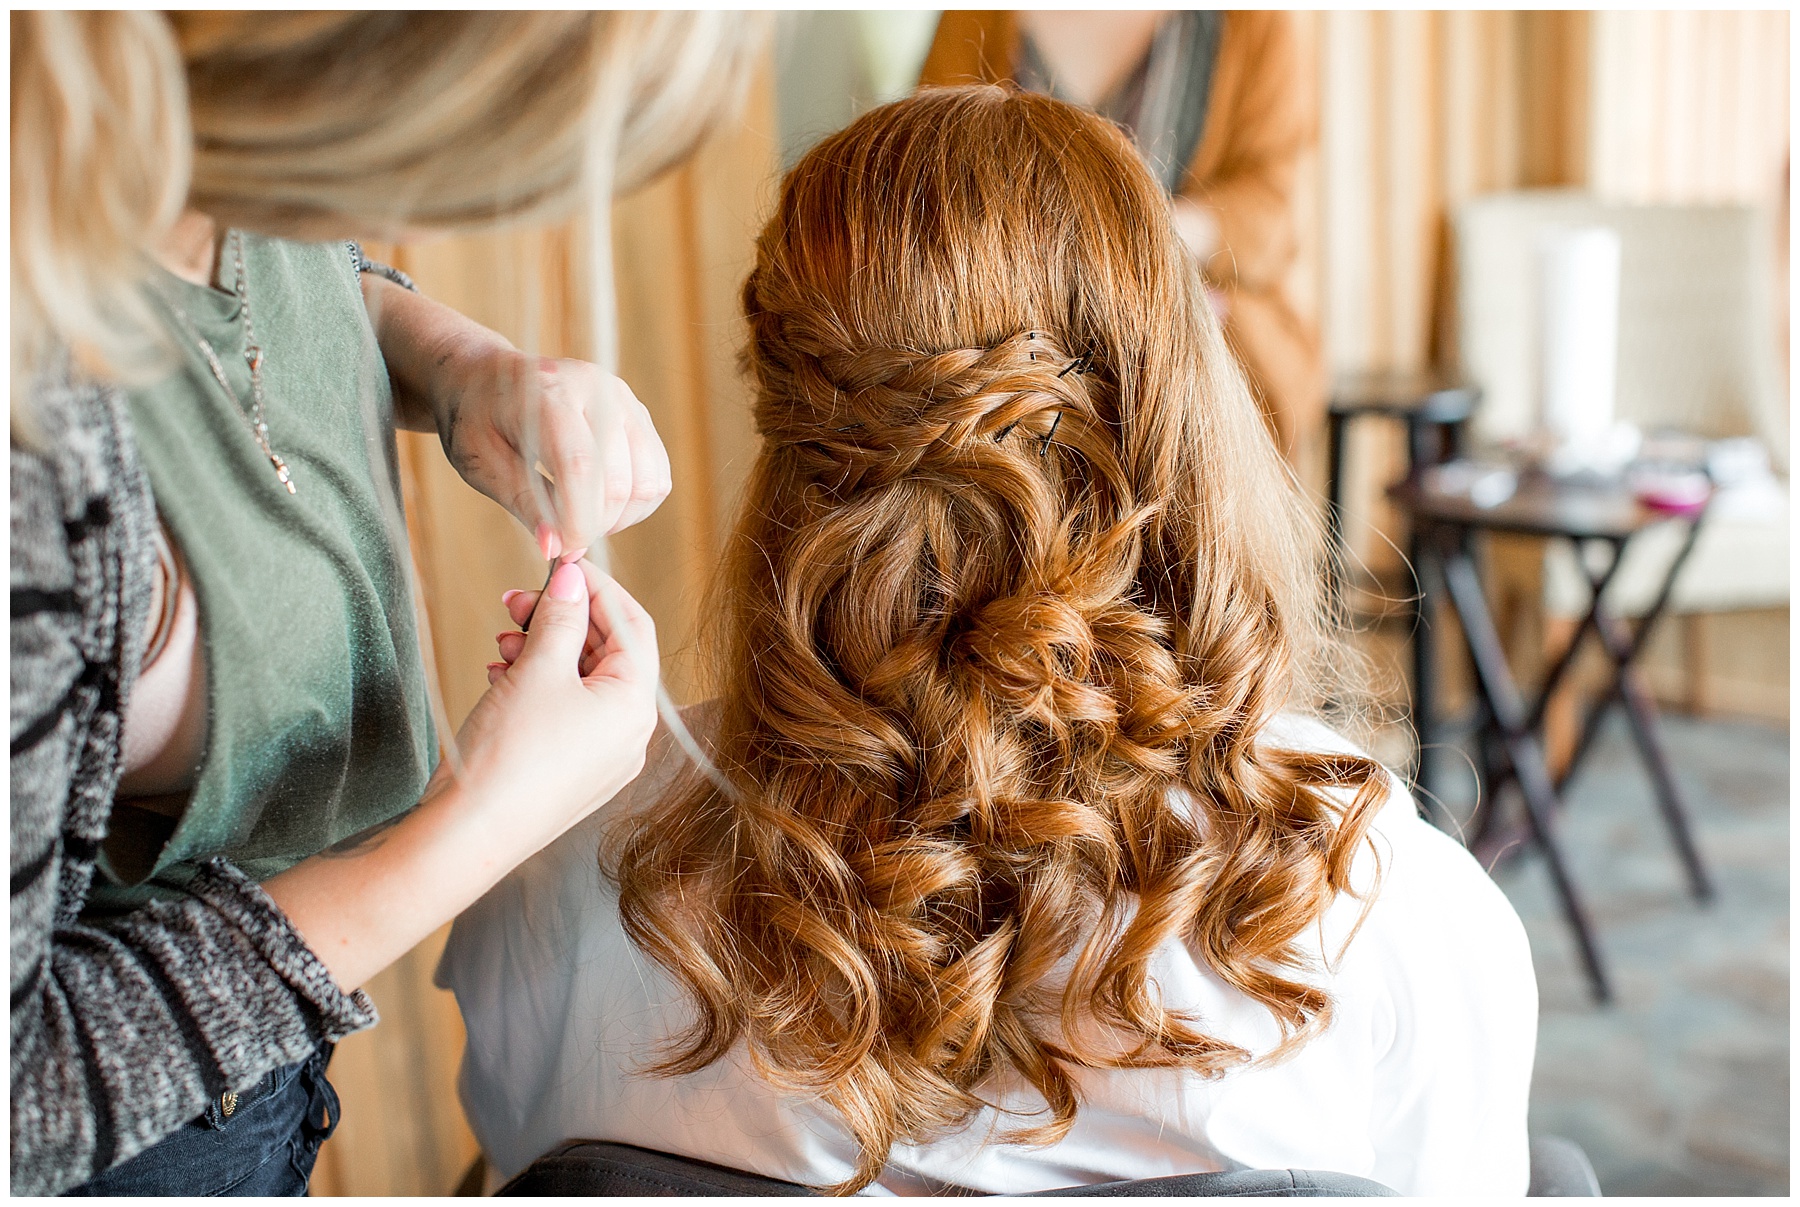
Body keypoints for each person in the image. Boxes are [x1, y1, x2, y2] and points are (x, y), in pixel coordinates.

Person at [443, 86, 1537, 1197]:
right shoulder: (1375, 910)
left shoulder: (567, 871)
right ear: (1173, 410)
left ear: (791, 435)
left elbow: (523, 1148)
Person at [10, 11, 760, 1196]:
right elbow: (21, 1100)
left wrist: (462, 367)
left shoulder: (191, 135)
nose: (406, 214)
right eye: (427, 171)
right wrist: (477, 825)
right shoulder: (29, 455)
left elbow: (275, 273)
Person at [919, 11, 1323, 465]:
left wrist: (1140, 245)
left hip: (1203, 347)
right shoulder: (974, 16)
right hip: (1012, 349)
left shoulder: (1255, 22)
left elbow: (1272, 217)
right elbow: (926, 179)